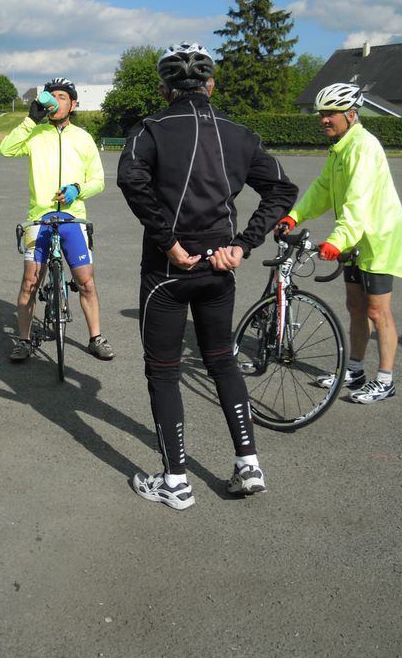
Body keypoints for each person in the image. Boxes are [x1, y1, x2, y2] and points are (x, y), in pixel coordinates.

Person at [117, 43, 298, 510]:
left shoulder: (151, 129)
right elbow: (282, 188)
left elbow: (130, 179)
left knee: (163, 372)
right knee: (221, 360)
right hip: (220, 267)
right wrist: (243, 243)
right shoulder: (240, 133)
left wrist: (169, 242)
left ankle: (176, 481)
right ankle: (248, 463)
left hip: (168, 271)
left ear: (164, 88)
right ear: (210, 85)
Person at [277, 82, 402, 404]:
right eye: (321, 114)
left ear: (351, 115)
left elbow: (358, 202)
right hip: (355, 238)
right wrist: (294, 216)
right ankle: (354, 370)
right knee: (355, 307)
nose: (324, 120)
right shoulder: (341, 147)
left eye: (331, 114)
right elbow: (323, 189)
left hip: (377, 239)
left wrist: (337, 240)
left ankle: (385, 379)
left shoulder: (364, 147)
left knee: (378, 311)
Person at [0, 77, 114, 362]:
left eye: (63, 96)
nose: (56, 101)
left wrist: (78, 190)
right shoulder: (35, 134)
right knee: (30, 282)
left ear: (73, 104)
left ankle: (96, 337)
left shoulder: (83, 138)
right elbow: (6, 149)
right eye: (51, 96)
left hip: (73, 218)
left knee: (86, 282)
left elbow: (98, 180)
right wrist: (29, 121)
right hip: (39, 217)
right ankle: (24, 340)